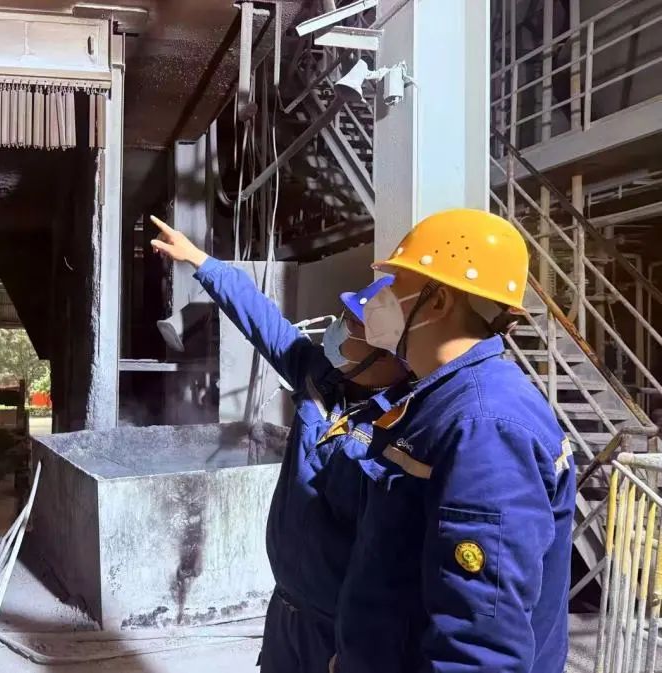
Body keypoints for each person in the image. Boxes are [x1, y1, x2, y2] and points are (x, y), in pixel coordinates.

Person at [149, 215, 408, 673]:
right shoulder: (320, 377)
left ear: (383, 351)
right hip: (287, 611)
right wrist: (200, 261)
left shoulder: (404, 430)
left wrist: (365, 647)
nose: (337, 330)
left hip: (340, 630)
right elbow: (262, 319)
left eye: (351, 324)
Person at [332, 209, 575, 673]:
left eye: (395, 286)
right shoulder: (443, 400)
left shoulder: (485, 426)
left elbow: (479, 648)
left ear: (438, 300)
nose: (381, 300)